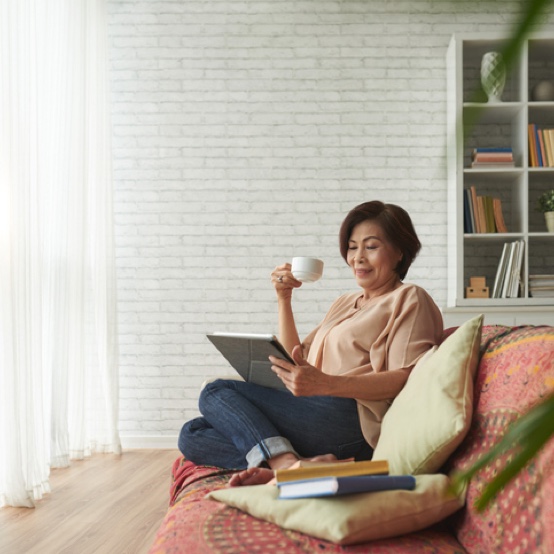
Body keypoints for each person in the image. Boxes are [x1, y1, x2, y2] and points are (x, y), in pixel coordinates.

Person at [178, 201, 443, 486]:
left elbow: (407, 379)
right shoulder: (344, 302)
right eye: (353, 247)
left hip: (352, 421)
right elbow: (295, 358)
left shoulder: (409, 298)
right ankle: (307, 462)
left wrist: (326, 384)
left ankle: (285, 463)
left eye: (371, 246)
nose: (358, 258)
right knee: (193, 433)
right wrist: (284, 299)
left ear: (400, 251)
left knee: (217, 390)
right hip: (314, 410)